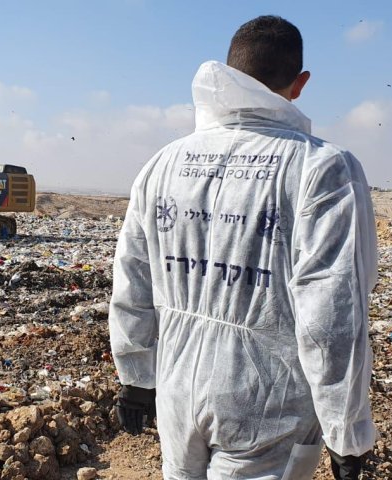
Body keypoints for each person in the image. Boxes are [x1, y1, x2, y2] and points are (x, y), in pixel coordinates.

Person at [108, 15, 377, 480]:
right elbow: (332, 317)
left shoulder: (163, 163)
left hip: (177, 392)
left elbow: (132, 279)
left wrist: (136, 377)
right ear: (300, 83)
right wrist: (347, 433)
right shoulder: (322, 169)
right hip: (268, 407)